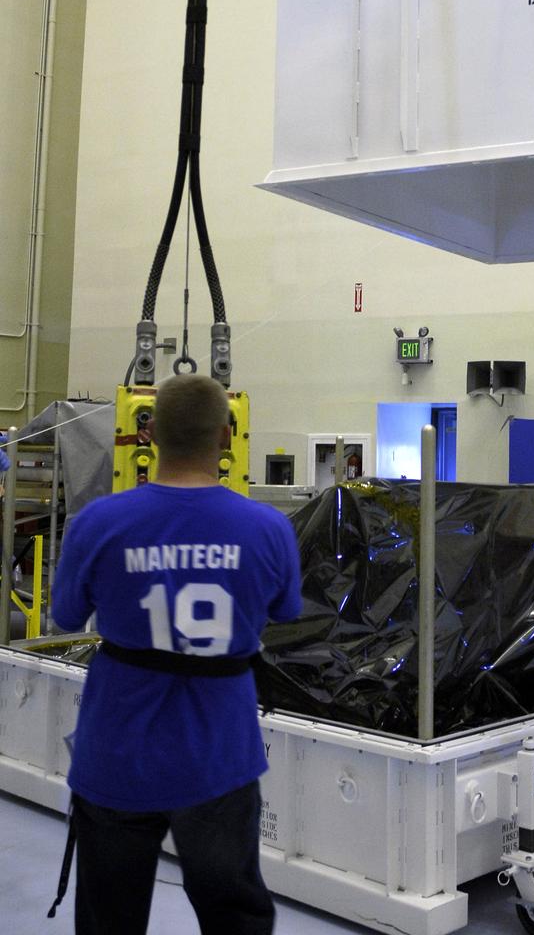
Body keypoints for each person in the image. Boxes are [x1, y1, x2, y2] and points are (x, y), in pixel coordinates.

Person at [51, 373, 302, 935]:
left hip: (117, 748)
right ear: (226, 436)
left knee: (108, 919)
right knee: (233, 914)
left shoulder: (98, 523)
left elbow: (65, 617)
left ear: (150, 434)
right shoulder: (267, 528)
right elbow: (286, 612)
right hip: (219, 753)